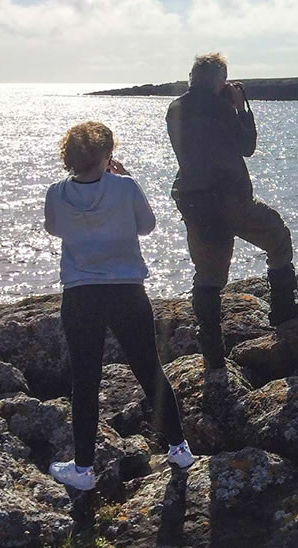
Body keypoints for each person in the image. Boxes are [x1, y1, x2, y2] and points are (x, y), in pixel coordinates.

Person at [44, 122, 194, 491]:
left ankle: (82, 470)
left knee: (85, 379)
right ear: (107, 154)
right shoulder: (124, 186)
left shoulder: (56, 192)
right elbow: (147, 226)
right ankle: (179, 448)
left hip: (80, 293)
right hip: (127, 289)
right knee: (148, 368)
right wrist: (124, 181)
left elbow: (54, 229)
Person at [166, 52, 298, 370]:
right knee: (278, 238)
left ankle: (212, 350)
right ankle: (284, 313)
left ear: (192, 77)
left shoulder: (175, 108)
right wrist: (239, 107)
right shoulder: (222, 108)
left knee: (208, 276)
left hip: (194, 202)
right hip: (231, 200)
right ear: (219, 81)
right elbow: (246, 146)